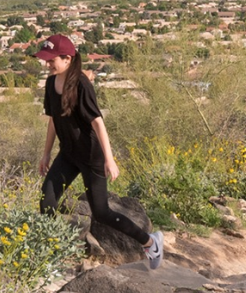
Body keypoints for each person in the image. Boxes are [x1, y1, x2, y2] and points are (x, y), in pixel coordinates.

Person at [35, 33, 164, 268]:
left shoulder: (81, 85)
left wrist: (109, 159)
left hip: (91, 155)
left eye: (51, 59)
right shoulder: (51, 84)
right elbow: (53, 120)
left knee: (101, 212)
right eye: (46, 59)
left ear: (67, 58)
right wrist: (46, 154)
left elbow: (97, 122)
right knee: (47, 201)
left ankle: (150, 243)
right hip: (68, 154)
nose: (47, 64)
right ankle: (51, 252)